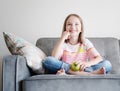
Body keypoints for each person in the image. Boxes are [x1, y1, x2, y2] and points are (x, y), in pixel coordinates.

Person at [43, 14, 112, 75]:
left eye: (76, 24)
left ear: (81, 29)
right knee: (48, 61)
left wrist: (87, 63)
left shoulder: (85, 42)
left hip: (82, 68)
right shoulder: (63, 44)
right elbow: (54, 58)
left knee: (107, 64)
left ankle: (74, 73)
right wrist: (62, 38)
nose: (73, 27)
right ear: (65, 28)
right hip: (68, 67)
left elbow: (99, 58)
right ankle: (87, 74)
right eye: (69, 24)